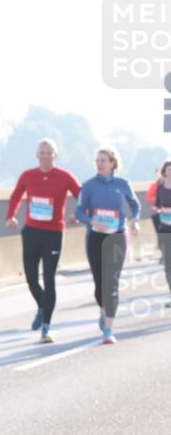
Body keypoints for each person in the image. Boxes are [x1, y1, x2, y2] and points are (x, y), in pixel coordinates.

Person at [5, 139, 82, 343]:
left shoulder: (65, 177)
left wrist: (78, 215)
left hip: (53, 234)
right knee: (31, 278)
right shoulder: (28, 176)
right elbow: (16, 196)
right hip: (31, 232)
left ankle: (46, 327)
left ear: (55, 155)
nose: (46, 156)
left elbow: (82, 196)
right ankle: (42, 305)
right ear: (36, 155)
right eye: (42, 152)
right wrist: (11, 216)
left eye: (49, 153)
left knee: (49, 279)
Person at [74, 147, 141, 344]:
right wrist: (92, 221)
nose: (99, 163)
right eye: (97, 160)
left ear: (113, 163)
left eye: (103, 160)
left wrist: (134, 220)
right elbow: (79, 211)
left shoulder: (123, 184)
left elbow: (135, 205)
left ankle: (109, 329)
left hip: (117, 236)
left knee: (111, 283)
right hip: (95, 237)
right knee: (99, 283)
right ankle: (103, 311)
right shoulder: (88, 186)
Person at [148, 158, 171, 305]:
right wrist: (157, 210)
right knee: (168, 264)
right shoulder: (160, 188)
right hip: (165, 228)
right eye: (169, 170)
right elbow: (155, 206)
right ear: (164, 172)